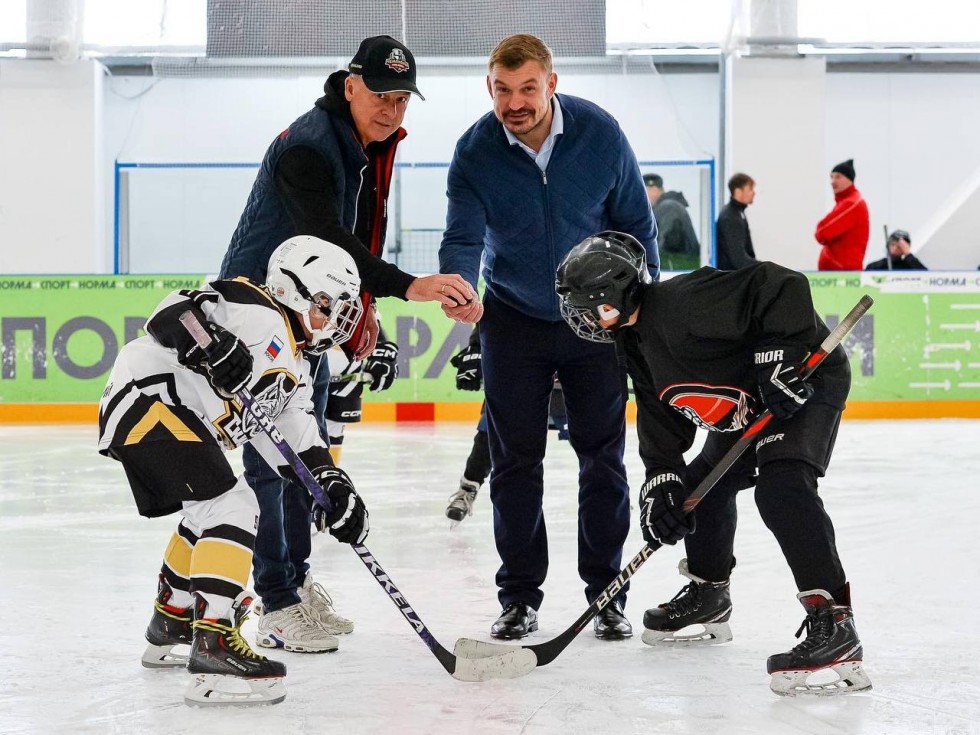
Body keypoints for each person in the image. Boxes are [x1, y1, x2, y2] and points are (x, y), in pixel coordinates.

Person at [219, 35, 480, 655]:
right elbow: (328, 237)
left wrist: (360, 310)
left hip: (304, 314)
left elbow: (344, 249)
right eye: (381, 95)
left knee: (306, 454)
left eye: (401, 98)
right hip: (261, 316)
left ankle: (296, 585)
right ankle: (277, 603)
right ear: (350, 85)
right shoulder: (311, 148)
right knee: (272, 459)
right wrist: (406, 287)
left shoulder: (360, 144)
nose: (392, 108)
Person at [555, 231, 872, 697]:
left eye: (585, 304)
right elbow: (659, 415)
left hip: (804, 383)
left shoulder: (684, 301)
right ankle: (709, 594)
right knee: (695, 492)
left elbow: (777, 284)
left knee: (782, 490)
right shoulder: (633, 342)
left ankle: (834, 624)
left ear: (612, 295)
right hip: (749, 406)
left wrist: (778, 358)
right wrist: (661, 482)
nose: (579, 316)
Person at [439, 33, 658, 642]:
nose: (515, 103)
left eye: (528, 88)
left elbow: (637, 225)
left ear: (551, 84)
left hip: (596, 324)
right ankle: (518, 597)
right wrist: (458, 285)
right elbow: (461, 235)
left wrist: (640, 305)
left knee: (604, 460)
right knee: (514, 462)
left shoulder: (599, 133)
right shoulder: (475, 151)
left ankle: (607, 592)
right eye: (502, 90)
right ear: (490, 88)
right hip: (511, 317)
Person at [98, 237, 371, 706]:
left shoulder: (298, 366)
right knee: (237, 505)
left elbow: (297, 436)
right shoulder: (254, 306)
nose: (335, 320)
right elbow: (169, 315)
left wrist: (333, 484)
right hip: (148, 400)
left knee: (206, 514)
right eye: (327, 304)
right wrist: (213, 343)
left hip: (164, 413)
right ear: (294, 290)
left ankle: (171, 622)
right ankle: (214, 646)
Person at [445, 324, 570, 526]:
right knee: (490, 432)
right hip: (521, 368)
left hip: (571, 367)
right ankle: (468, 487)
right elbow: (492, 307)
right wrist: (476, 348)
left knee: (593, 439)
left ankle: (607, 488)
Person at [814, 159, 869, 270]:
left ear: (849, 179)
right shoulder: (845, 202)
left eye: (838, 177)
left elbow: (822, 232)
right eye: (831, 177)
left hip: (842, 276)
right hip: (837, 273)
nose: (833, 181)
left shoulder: (852, 204)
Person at [644, 173, 700, 270]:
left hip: (677, 268)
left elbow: (667, 242)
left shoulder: (668, 207)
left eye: (644, 190)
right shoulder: (667, 206)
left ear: (654, 189)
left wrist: (651, 265)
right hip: (681, 267)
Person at [716, 172, 758, 269]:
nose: (754, 193)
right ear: (738, 192)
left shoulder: (737, 213)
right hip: (733, 278)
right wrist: (763, 267)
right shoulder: (730, 217)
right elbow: (738, 259)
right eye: (750, 189)